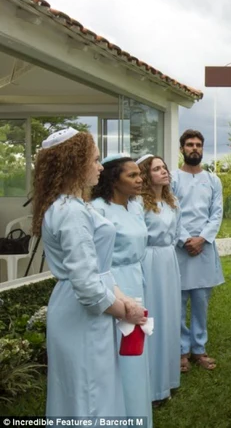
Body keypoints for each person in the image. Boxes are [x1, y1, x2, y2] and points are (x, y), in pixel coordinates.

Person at [35, 129, 146, 418]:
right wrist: (125, 311)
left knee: (94, 390)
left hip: (83, 309)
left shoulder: (73, 206)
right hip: (82, 315)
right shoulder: (70, 212)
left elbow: (100, 268)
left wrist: (125, 299)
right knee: (89, 396)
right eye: (95, 160)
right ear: (75, 163)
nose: (100, 167)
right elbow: (86, 284)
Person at [91, 154, 152, 427]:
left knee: (136, 347)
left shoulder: (136, 206)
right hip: (113, 281)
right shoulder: (96, 210)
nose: (140, 180)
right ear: (113, 179)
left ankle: (137, 411)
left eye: (140, 174)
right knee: (116, 350)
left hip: (137, 277)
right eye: (132, 176)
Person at [171, 129, 224, 371]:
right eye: (190, 144)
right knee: (179, 302)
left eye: (199, 145)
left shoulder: (213, 180)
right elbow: (169, 212)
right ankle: (181, 352)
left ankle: (199, 349)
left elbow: (217, 213)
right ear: (182, 148)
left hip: (204, 248)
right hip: (180, 248)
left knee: (201, 302)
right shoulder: (172, 179)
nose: (195, 148)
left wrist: (202, 239)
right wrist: (185, 239)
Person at [136, 154, 182, 401]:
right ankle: (151, 385)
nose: (163, 171)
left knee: (169, 316)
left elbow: (176, 233)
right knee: (152, 316)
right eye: (156, 169)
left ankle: (168, 379)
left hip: (168, 260)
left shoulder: (172, 202)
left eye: (164, 167)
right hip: (149, 260)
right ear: (146, 174)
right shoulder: (138, 205)